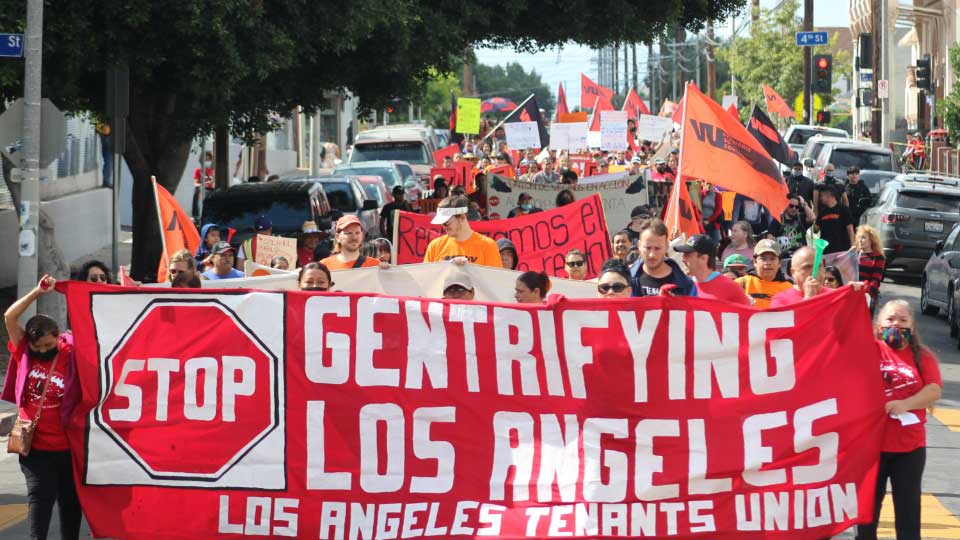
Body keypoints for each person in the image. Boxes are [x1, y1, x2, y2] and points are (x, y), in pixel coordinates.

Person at [2, 275, 82, 540]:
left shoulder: (71, 353)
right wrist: (37, 292)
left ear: (58, 337)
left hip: (69, 448)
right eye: (39, 348)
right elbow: (10, 317)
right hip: (34, 447)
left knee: (70, 505)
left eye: (49, 345)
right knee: (40, 500)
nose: (44, 351)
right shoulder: (24, 351)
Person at [856, 300, 941, 540]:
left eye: (903, 321)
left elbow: (934, 390)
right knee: (866, 516)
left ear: (912, 327)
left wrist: (905, 404)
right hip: (870, 448)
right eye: (891, 319)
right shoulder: (866, 348)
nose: (896, 324)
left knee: (908, 514)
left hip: (909, 448)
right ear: (879, 323)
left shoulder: (922, 355)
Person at [423, 195, 502, 267]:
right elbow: (427, 278)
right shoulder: (435, 246)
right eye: (442, 224)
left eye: (446, 223)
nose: (444, 227)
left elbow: (494, 280)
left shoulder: (487, 246)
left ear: (462, 217)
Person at [675, 234, 750, 304]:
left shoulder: (730, 287)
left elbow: (748, 315)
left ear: (703, 258)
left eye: (687, 255)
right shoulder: (684, 287)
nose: (682, 259)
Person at [630, 218, 696, 297]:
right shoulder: (626, 281)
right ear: (639, 246)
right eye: (648, 248)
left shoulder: (686, 285)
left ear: (667, 246)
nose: (652, 255)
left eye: (657, 248)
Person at [735, 239, 792, 308]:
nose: (768, 263)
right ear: (754, 262)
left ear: (779, 262)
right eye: (763, 259)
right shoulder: (741, 284)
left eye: (772, 259)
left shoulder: (789, 289)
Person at [767, 194, 815, 259]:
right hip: (784, 257)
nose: (794, 208)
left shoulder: (801, 218)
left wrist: (804, 204)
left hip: (801, 255)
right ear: (786, 205)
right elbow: (769, 238)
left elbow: (812, 218)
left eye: (797, 207)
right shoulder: (778, 219)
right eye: (791, 206)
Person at [812, 184, 854, 253]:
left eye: (822, 196)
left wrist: (853, 245)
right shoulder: (823, 212)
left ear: (829, 195)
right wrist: (812, 217)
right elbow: (815, 230)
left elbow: (850, 228)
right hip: (826, 251)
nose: (820, 198)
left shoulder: (843, 210)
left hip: (842, 250)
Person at [856, 224, 886, 312]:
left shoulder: (878, 257)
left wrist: (867, 291)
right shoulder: (854, 254)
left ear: (871, 240)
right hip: (852, 294)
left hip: (867, 296)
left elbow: (876, 280)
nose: (860, 240)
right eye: (859, 237)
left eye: (863, 237)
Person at [192, 150, 214, 219]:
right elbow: (195, 183)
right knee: (197, 192)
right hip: (202, 190)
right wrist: (203, 184)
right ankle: (196, 215)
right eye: (205, 159)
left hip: (210, 191)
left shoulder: (213, 171)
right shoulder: (198, 171)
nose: (207, 161)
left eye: (209, 159)